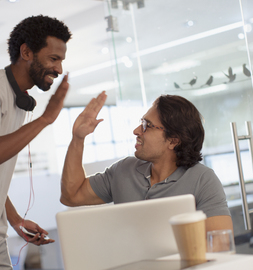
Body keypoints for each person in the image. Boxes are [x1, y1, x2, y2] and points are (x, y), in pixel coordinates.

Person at [60, 93, 233, 233]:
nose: (136, 131)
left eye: (147, 125)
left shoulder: (203, 179)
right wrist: (78, 138)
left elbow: (220, 244)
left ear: (173, 141)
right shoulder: (124, 170)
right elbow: (71, 195)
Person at [0, 15, 71, 268]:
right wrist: (46, 119)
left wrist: (15, 219)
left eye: (61, 61)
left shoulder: (20, 102)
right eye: (54, 59)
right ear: (26, 52)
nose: (59, 69)